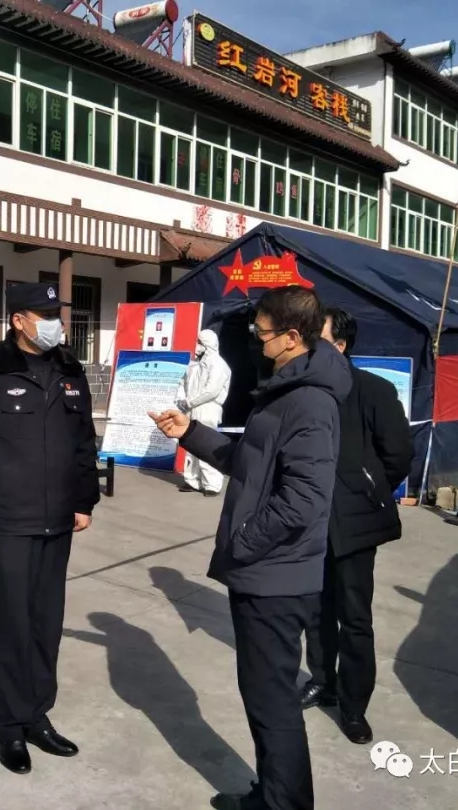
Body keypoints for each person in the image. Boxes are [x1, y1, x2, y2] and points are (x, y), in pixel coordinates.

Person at [150, 286, 351, 810]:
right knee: (266, 698)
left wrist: (244, 543)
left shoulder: (309, 401)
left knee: (272, 702)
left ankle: (282, 803)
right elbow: (251, 461)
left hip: (274, 576)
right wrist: (190, 432)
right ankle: (277, 794)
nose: (256, 342)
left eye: (262, 333)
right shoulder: (288, 390)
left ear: (292, 336)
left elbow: (303, 500)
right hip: (267, 571)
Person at [0, 282, 100, 776]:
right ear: (19, 321)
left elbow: (83, 441)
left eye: (57, 314)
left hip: (59, 519)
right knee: (13, 622)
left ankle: (36, 715)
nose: (55, 323)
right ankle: (9, 725)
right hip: (9, 520)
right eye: (44, 315)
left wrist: (84, 500)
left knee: (47, 622)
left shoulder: (70, 369)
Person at [301, 308, 413, 745]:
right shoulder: (306, 390)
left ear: (341, 346)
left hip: (354, 524)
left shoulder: (373, 391)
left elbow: (398, 456)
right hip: (310, 521)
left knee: (354, 617)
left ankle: (353, 706)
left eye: (319, 337)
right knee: (315, 610)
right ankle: (322, 681)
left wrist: (366, 490)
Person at [175, 329, 231, 496]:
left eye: (199, 342)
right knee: (191, 445)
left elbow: (211, 391)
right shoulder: (194, 365)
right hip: (190, 409)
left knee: (206, 446)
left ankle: (212, 484)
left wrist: (189, 402)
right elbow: (182, 383)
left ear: (207, 344)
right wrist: (181, 400)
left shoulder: (218, 365)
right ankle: (192, 480)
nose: (197, 345)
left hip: (208, 409)